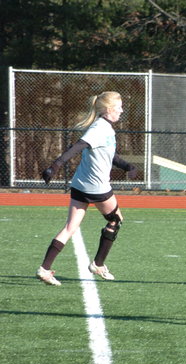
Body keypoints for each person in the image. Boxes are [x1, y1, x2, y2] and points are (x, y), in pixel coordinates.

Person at [36, 91, 137, 286]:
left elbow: (109, 155)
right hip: (97, 187)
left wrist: (128, 166)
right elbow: (78, 146)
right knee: (116, 220)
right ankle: (98, 264)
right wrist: (55, 166)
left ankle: (45, 269)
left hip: (79, 185)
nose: (122, 110)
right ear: (109, 110)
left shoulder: (104, 128)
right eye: (119, 107)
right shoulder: (100, 128)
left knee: (70, 227)